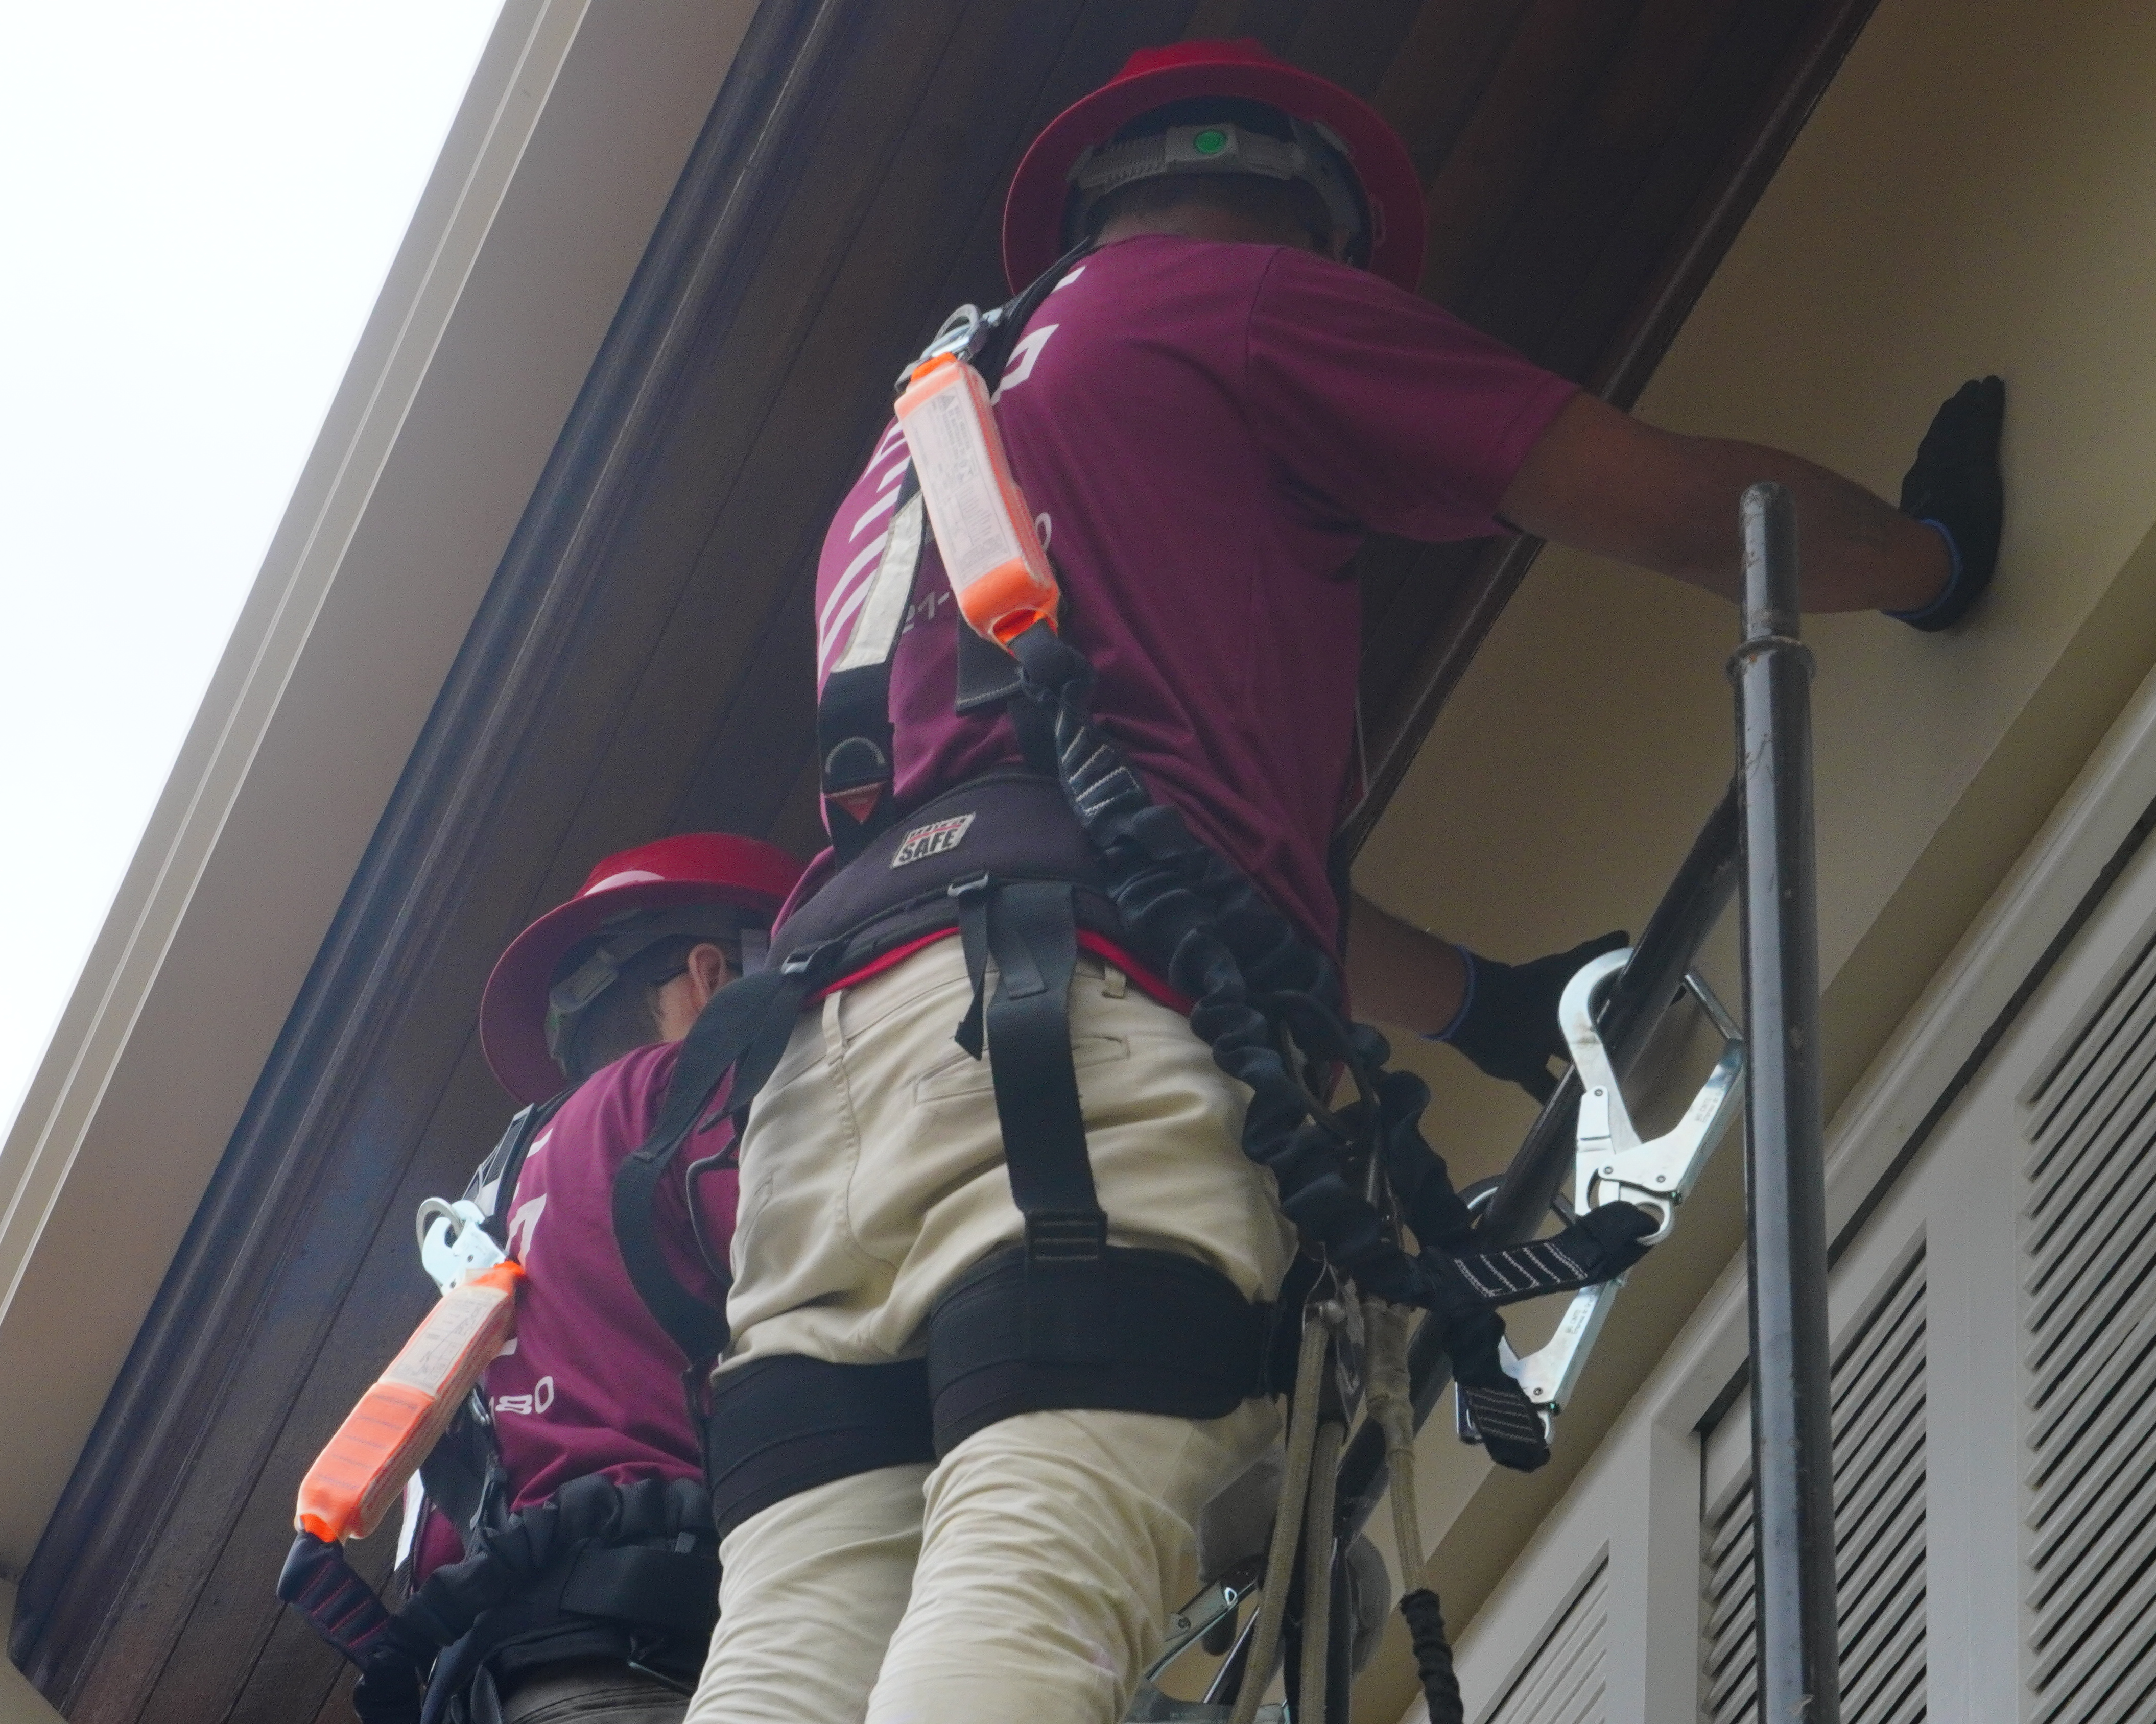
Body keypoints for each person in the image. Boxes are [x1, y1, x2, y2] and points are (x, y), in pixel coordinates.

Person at [683, 38, 2003, 1723]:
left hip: (829, 1104)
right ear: (1294, 211)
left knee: (793, 1648)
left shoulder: (908, 466)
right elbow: (1660, 503)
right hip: (1060, 1060)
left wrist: (1479, 999)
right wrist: (1922, 556)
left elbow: (1145, 827)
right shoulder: (1233, 301)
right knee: (1037, 1567)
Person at [309, 832, 802, 1724]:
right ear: (717, 979)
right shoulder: (684, 1098)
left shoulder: (489, 1199)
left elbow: (443, 1526)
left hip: (511, 1679)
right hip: (673, 1660)